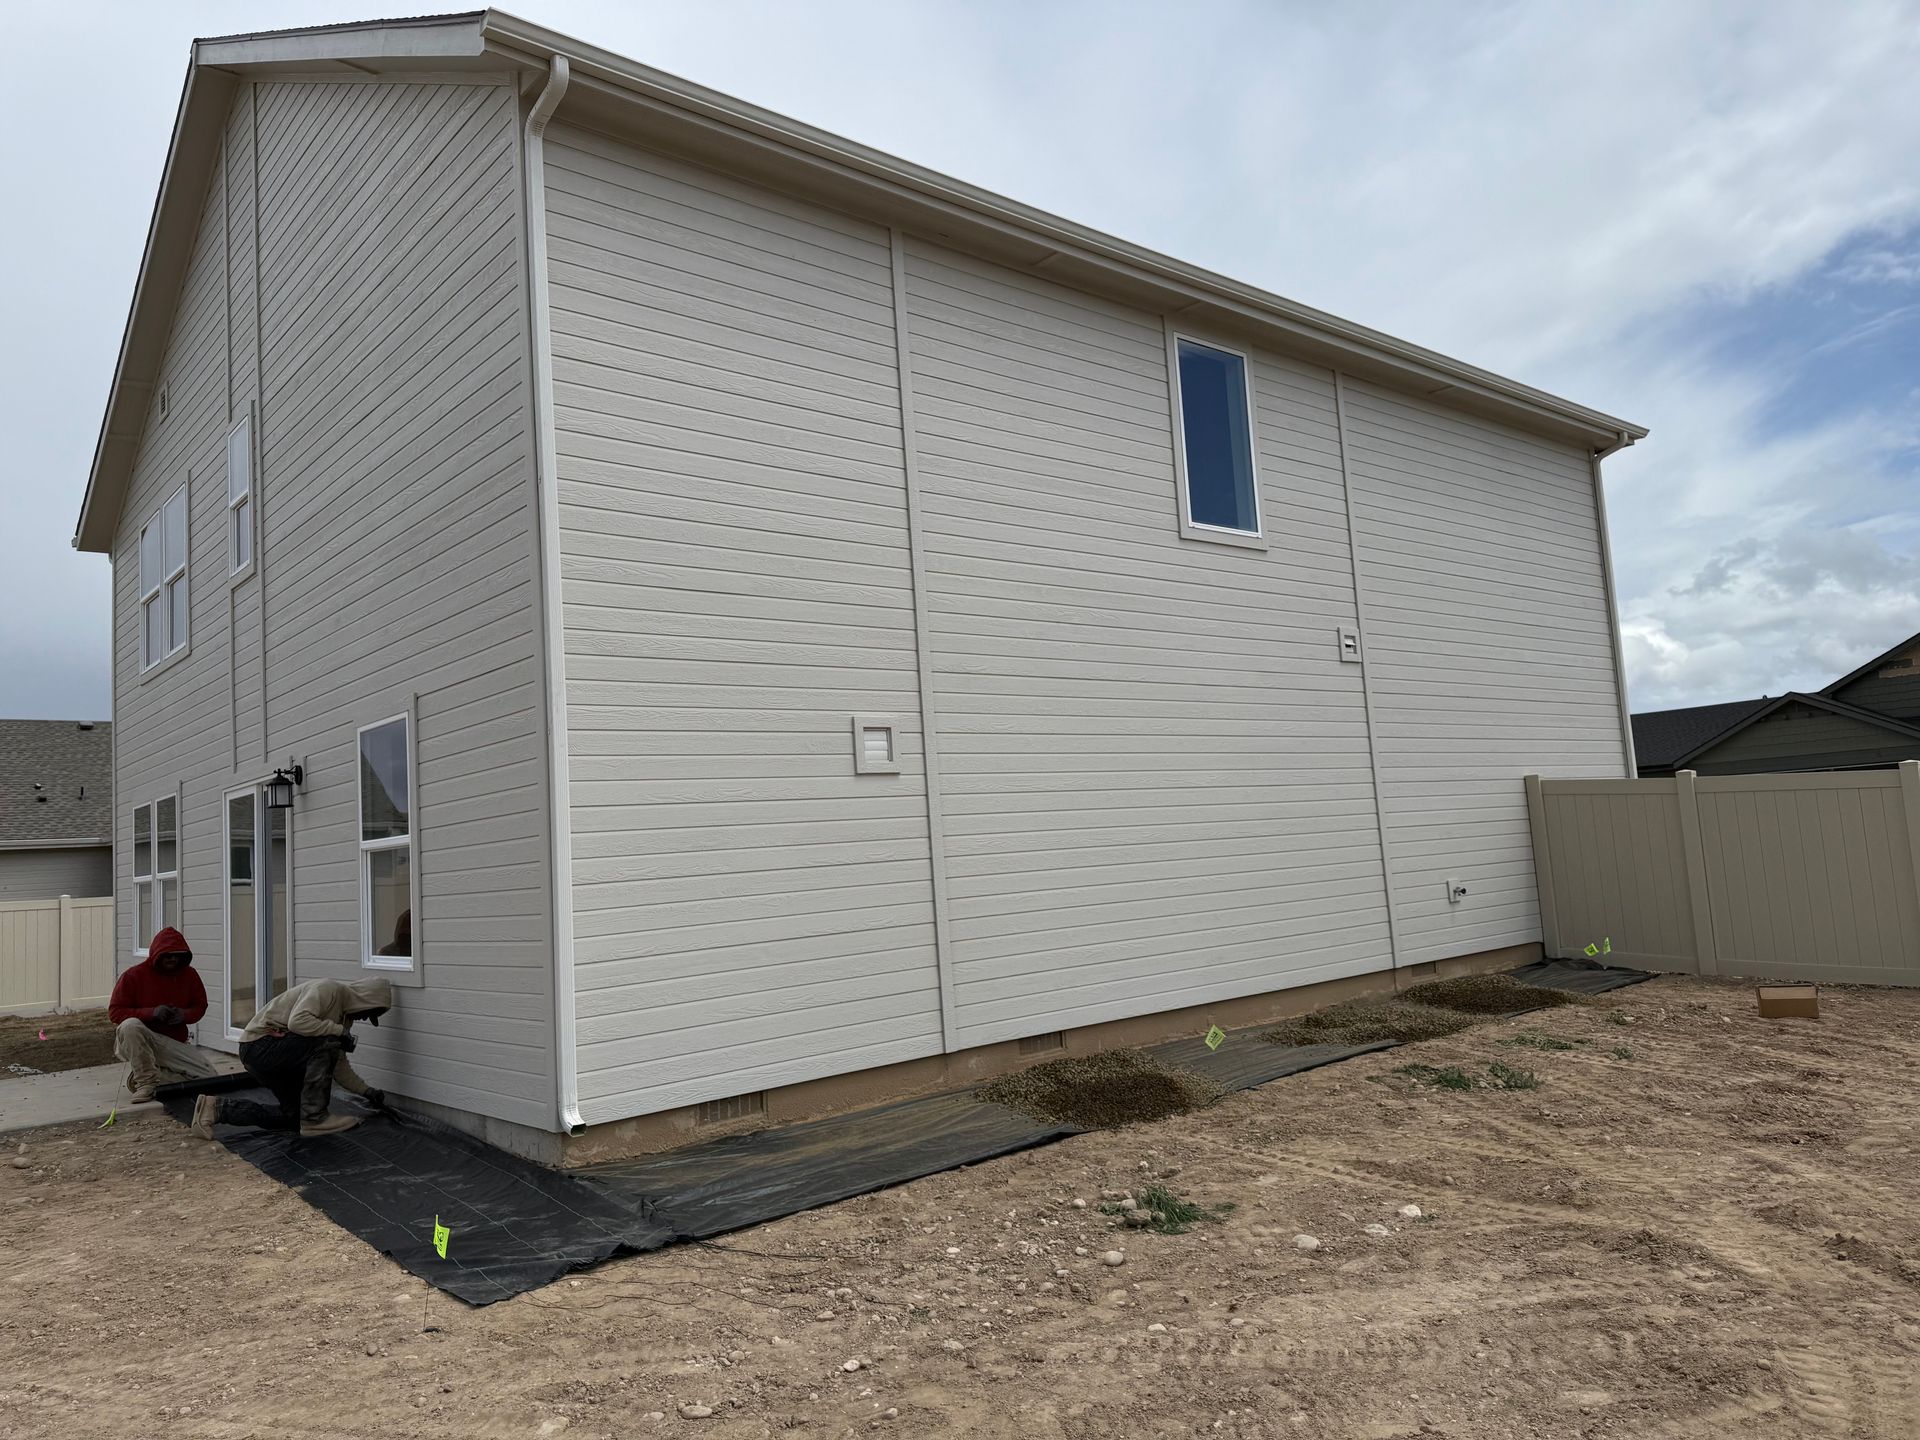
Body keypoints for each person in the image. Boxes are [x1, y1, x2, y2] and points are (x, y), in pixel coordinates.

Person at [190, 977, 393, 1140]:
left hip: (277, 1055)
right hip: (259, 1046)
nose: (366, 1019)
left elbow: (338, 1063)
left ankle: (216, 1109)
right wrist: (338, 1032)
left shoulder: (342, 1020)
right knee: (329, 1041)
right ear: (365, 1000)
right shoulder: (328, 989)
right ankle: (316, 1118)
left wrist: (367, 1091)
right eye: (370, 1013)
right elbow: (298, 1022)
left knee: (294, 1118)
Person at [109, 927, 219, 1102]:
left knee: (210, 1079)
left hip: (173, 1043)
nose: (172, 959)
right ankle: (145, 1082)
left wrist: (184, 1015)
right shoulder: (133, 976)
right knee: (130, 1025)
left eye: (177, 955)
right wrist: (152, 1013)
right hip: (141, 1039)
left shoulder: (189, 975)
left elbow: (200, 1006)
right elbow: (115, 1012)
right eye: (167, 955)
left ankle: (155, 1076)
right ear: (157, 954)